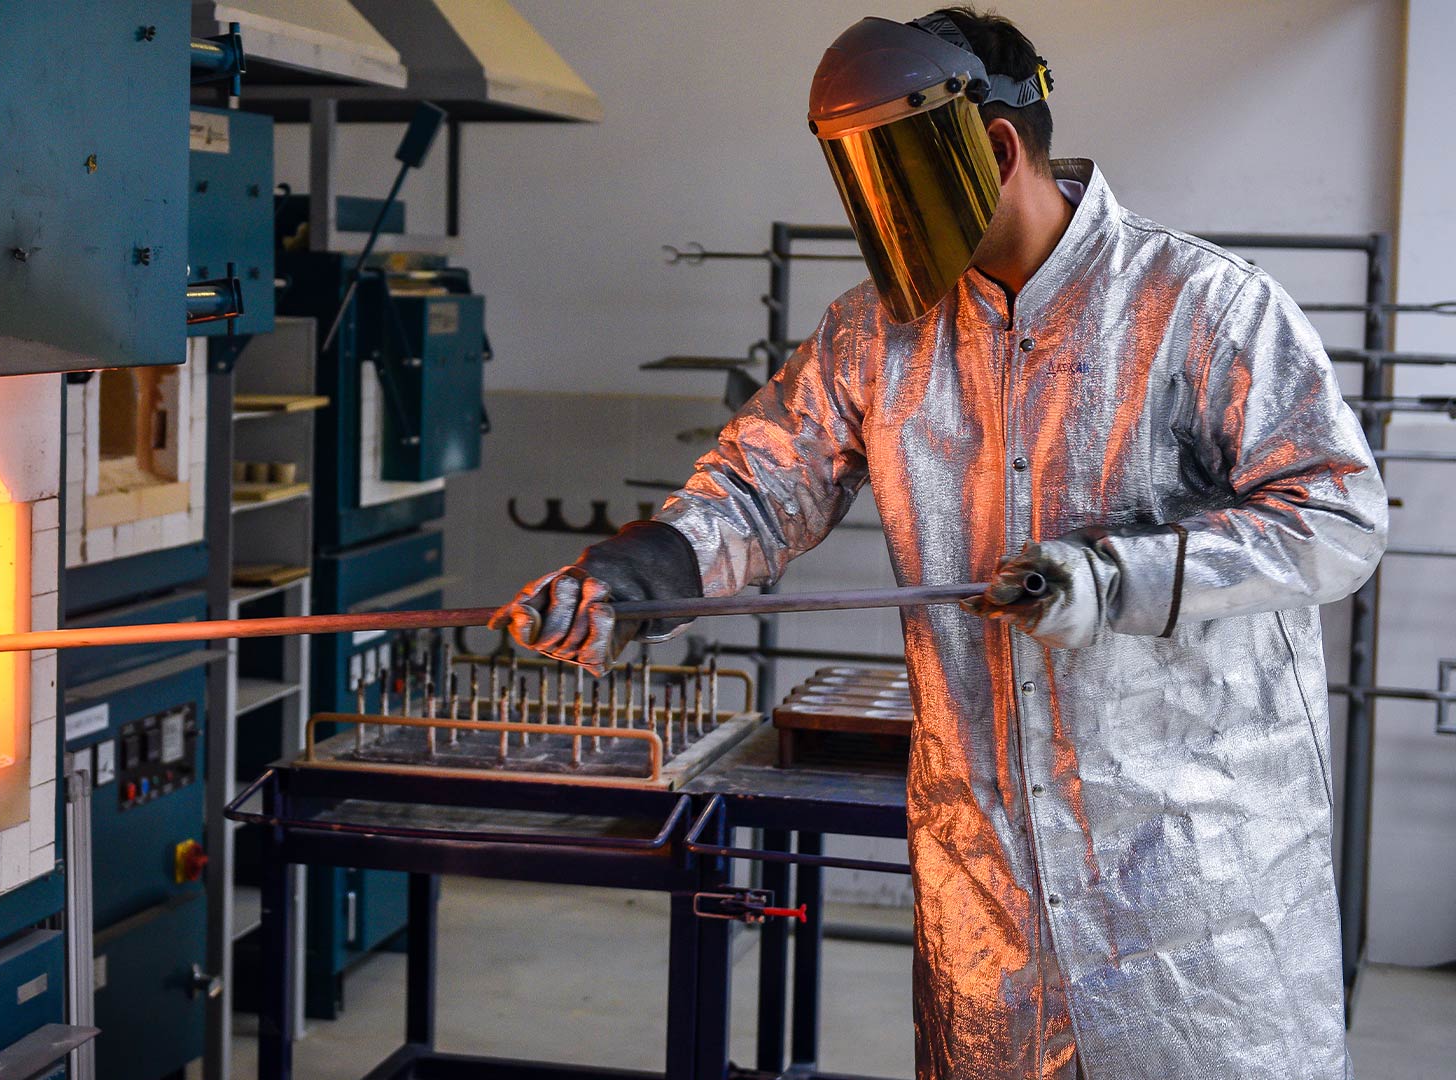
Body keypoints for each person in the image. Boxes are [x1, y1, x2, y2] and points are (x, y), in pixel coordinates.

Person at [491, 8, 1385, 1078]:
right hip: (991, 878)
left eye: (892, 174)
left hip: (1188, 874)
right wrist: (637, 578)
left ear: (994, 148)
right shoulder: (875, 333)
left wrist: (1114, 577)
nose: (877, 212)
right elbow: (762, 490)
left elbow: (1337, 518)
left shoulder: (1203, 306)